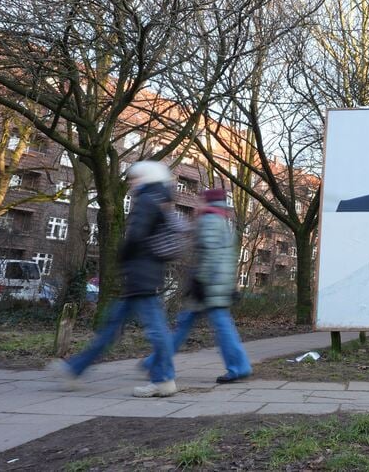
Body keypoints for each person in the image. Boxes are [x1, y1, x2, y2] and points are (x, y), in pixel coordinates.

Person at [51, 160, 177, 398]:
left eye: (136, 178)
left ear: (147, 178)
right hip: (146, 275)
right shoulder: (161, 202)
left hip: (141, 275)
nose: (132, 183)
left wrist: (122, 256)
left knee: (156, 331)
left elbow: (136, 236)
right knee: (112, 329)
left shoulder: (147, 201)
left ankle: (163, 379)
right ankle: (74, 369)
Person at [142, 187, 252, 383]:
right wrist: (231, 285)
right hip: (218, 285)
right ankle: (155, 362)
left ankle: (238, 366)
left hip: (207, 286)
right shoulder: (224, 223)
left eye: (200, 201)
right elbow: (226, 257)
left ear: (208, 203)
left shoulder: (208, 222)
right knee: (210, 325)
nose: (197, 204)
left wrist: (200, 281)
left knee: (189, 326)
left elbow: (209, 254)